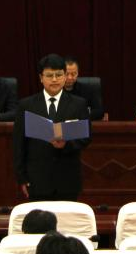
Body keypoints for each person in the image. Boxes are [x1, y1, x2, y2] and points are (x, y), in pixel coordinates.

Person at [13, 54, 91, 201]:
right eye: (49, 75)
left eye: (59, 75)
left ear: (65, 76)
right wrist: (21, 178)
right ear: (41, 78)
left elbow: (86, 138)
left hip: (67, 179)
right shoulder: (26, 105)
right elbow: (18, 144)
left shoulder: (78, 104)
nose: (54, 79)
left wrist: (66, 145)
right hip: (37, 179)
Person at [63, 56, 105, 121]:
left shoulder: (88, 90)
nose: (70, 77)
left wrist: (80, 117)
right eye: (66, 74)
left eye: (73, 74)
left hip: (82, 124)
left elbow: (99, 112)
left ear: (78, 73)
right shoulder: (56, 91)